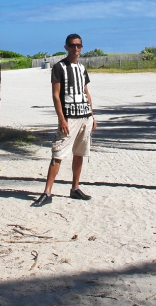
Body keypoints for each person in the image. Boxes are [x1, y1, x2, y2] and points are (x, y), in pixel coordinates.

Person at [32, 34, 96, 207]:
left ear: (82, 47)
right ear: (66, 47)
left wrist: (92, 115)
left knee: (80, 153)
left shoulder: (82, 68)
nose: (76, 48)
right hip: (69, 117)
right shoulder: (59, 67)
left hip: (84, 116)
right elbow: (55, 95)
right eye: (72, 45)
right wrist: (62, 119)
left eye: (79, 45)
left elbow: (86, 92)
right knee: (58, 153)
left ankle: (75, 188)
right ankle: (47, 192)